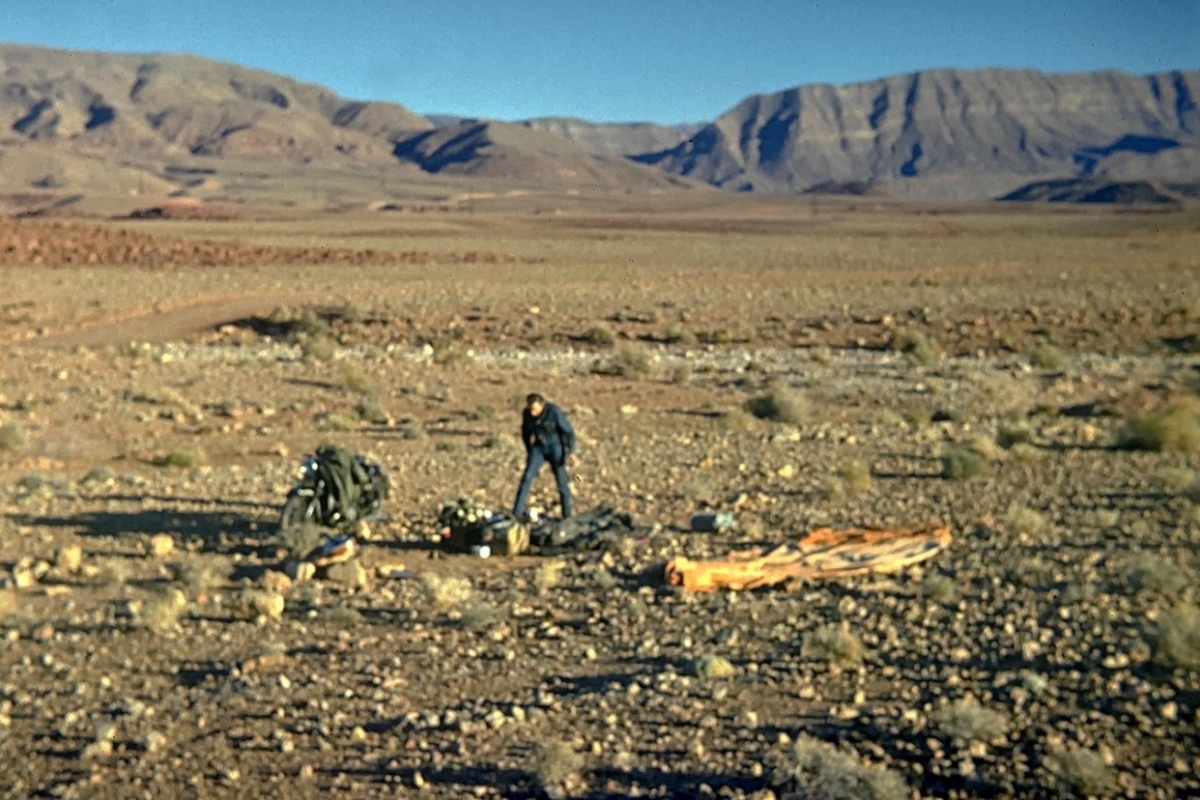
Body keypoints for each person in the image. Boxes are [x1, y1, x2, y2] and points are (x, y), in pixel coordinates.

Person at [512, 393, 575, 521]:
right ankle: (517, 512)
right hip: (538, 448)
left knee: (561, 482)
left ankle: (567, 514)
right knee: (527, 477)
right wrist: (529, 451)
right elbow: (526, 433)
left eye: (535, 409)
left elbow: (568, 431)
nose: (533, 413)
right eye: (531, 409)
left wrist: (570, 451)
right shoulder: (527, 414)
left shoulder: (554, 412)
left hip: (555, 447)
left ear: (542, 405)